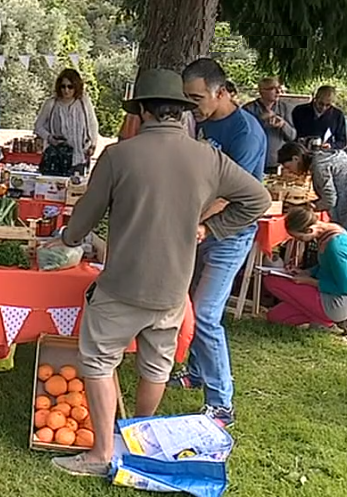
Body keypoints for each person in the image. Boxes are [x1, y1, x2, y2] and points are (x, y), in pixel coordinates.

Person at [49, 69, 271, 477]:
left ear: (143, 112)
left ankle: (100, 455)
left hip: (122, 285)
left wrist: (66, 235)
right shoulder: (208, 157)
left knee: (98, 361)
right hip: (173, 288)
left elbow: (80, 228)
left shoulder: (119, 155)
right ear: (180, 112)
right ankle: (137, 441)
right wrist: (211, 228)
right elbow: (258, 198)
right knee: (155, 366)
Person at [172, 58, 268, 428]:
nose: (191, 105)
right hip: (200, 229)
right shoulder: (202, 122)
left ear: (222, 91)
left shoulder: (246, 131)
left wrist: (194, 221)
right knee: (193, 308)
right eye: (187, 97)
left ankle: (221, 403)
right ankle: (196, 372)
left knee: (207, 314)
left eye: (197, 97)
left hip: (230, 232)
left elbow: (230, 195)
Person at [263, 207, 347, 329]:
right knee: (275, 317)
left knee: (272, 280)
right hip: (326, 295)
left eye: (300, 238)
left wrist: (310, 282)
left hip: (335, 302)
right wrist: (306, 272)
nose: (300, 241)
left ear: (309, 230)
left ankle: (325, 320)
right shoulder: (329, 232)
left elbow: (345, 287)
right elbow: (327, 266)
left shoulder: (335, 246)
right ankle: (318, 320)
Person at [34, 68, 100, 175]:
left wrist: (93, 144)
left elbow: (92, 124)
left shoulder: (83, 102)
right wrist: (50, 138)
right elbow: (38, 126)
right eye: (63, 86)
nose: (66, 90)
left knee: (75, 188)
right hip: (56, 157)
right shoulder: (51, 103)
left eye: (70, 87)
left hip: (79, 156)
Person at [278, 141, 347, 225]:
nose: (290, 171)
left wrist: (305, 207)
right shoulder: (327, 157)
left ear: (295, 158)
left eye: (288, 167)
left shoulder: (319, 166)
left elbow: (330, 200)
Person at [243, 77, 297, 173]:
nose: (278, 91)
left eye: (279, 88)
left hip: (277, 163)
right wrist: (260, 120)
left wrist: (283, 125)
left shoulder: (285, 108)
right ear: (262, 91)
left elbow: (293, 136)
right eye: (273, 88)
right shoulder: (248, 109)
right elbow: (243, 135)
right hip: (253, 161)